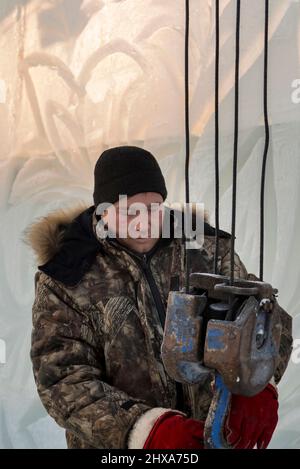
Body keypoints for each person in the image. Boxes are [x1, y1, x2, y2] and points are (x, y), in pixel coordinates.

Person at [25, 146, 293, 449]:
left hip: (213, 437)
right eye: (129, 212)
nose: (144, 223)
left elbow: (264, 316)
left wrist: (257, 385)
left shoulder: (205, 248)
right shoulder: (68, 272)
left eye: (153, 208)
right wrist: (144, 430)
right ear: (102, 210)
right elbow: (61, 378)